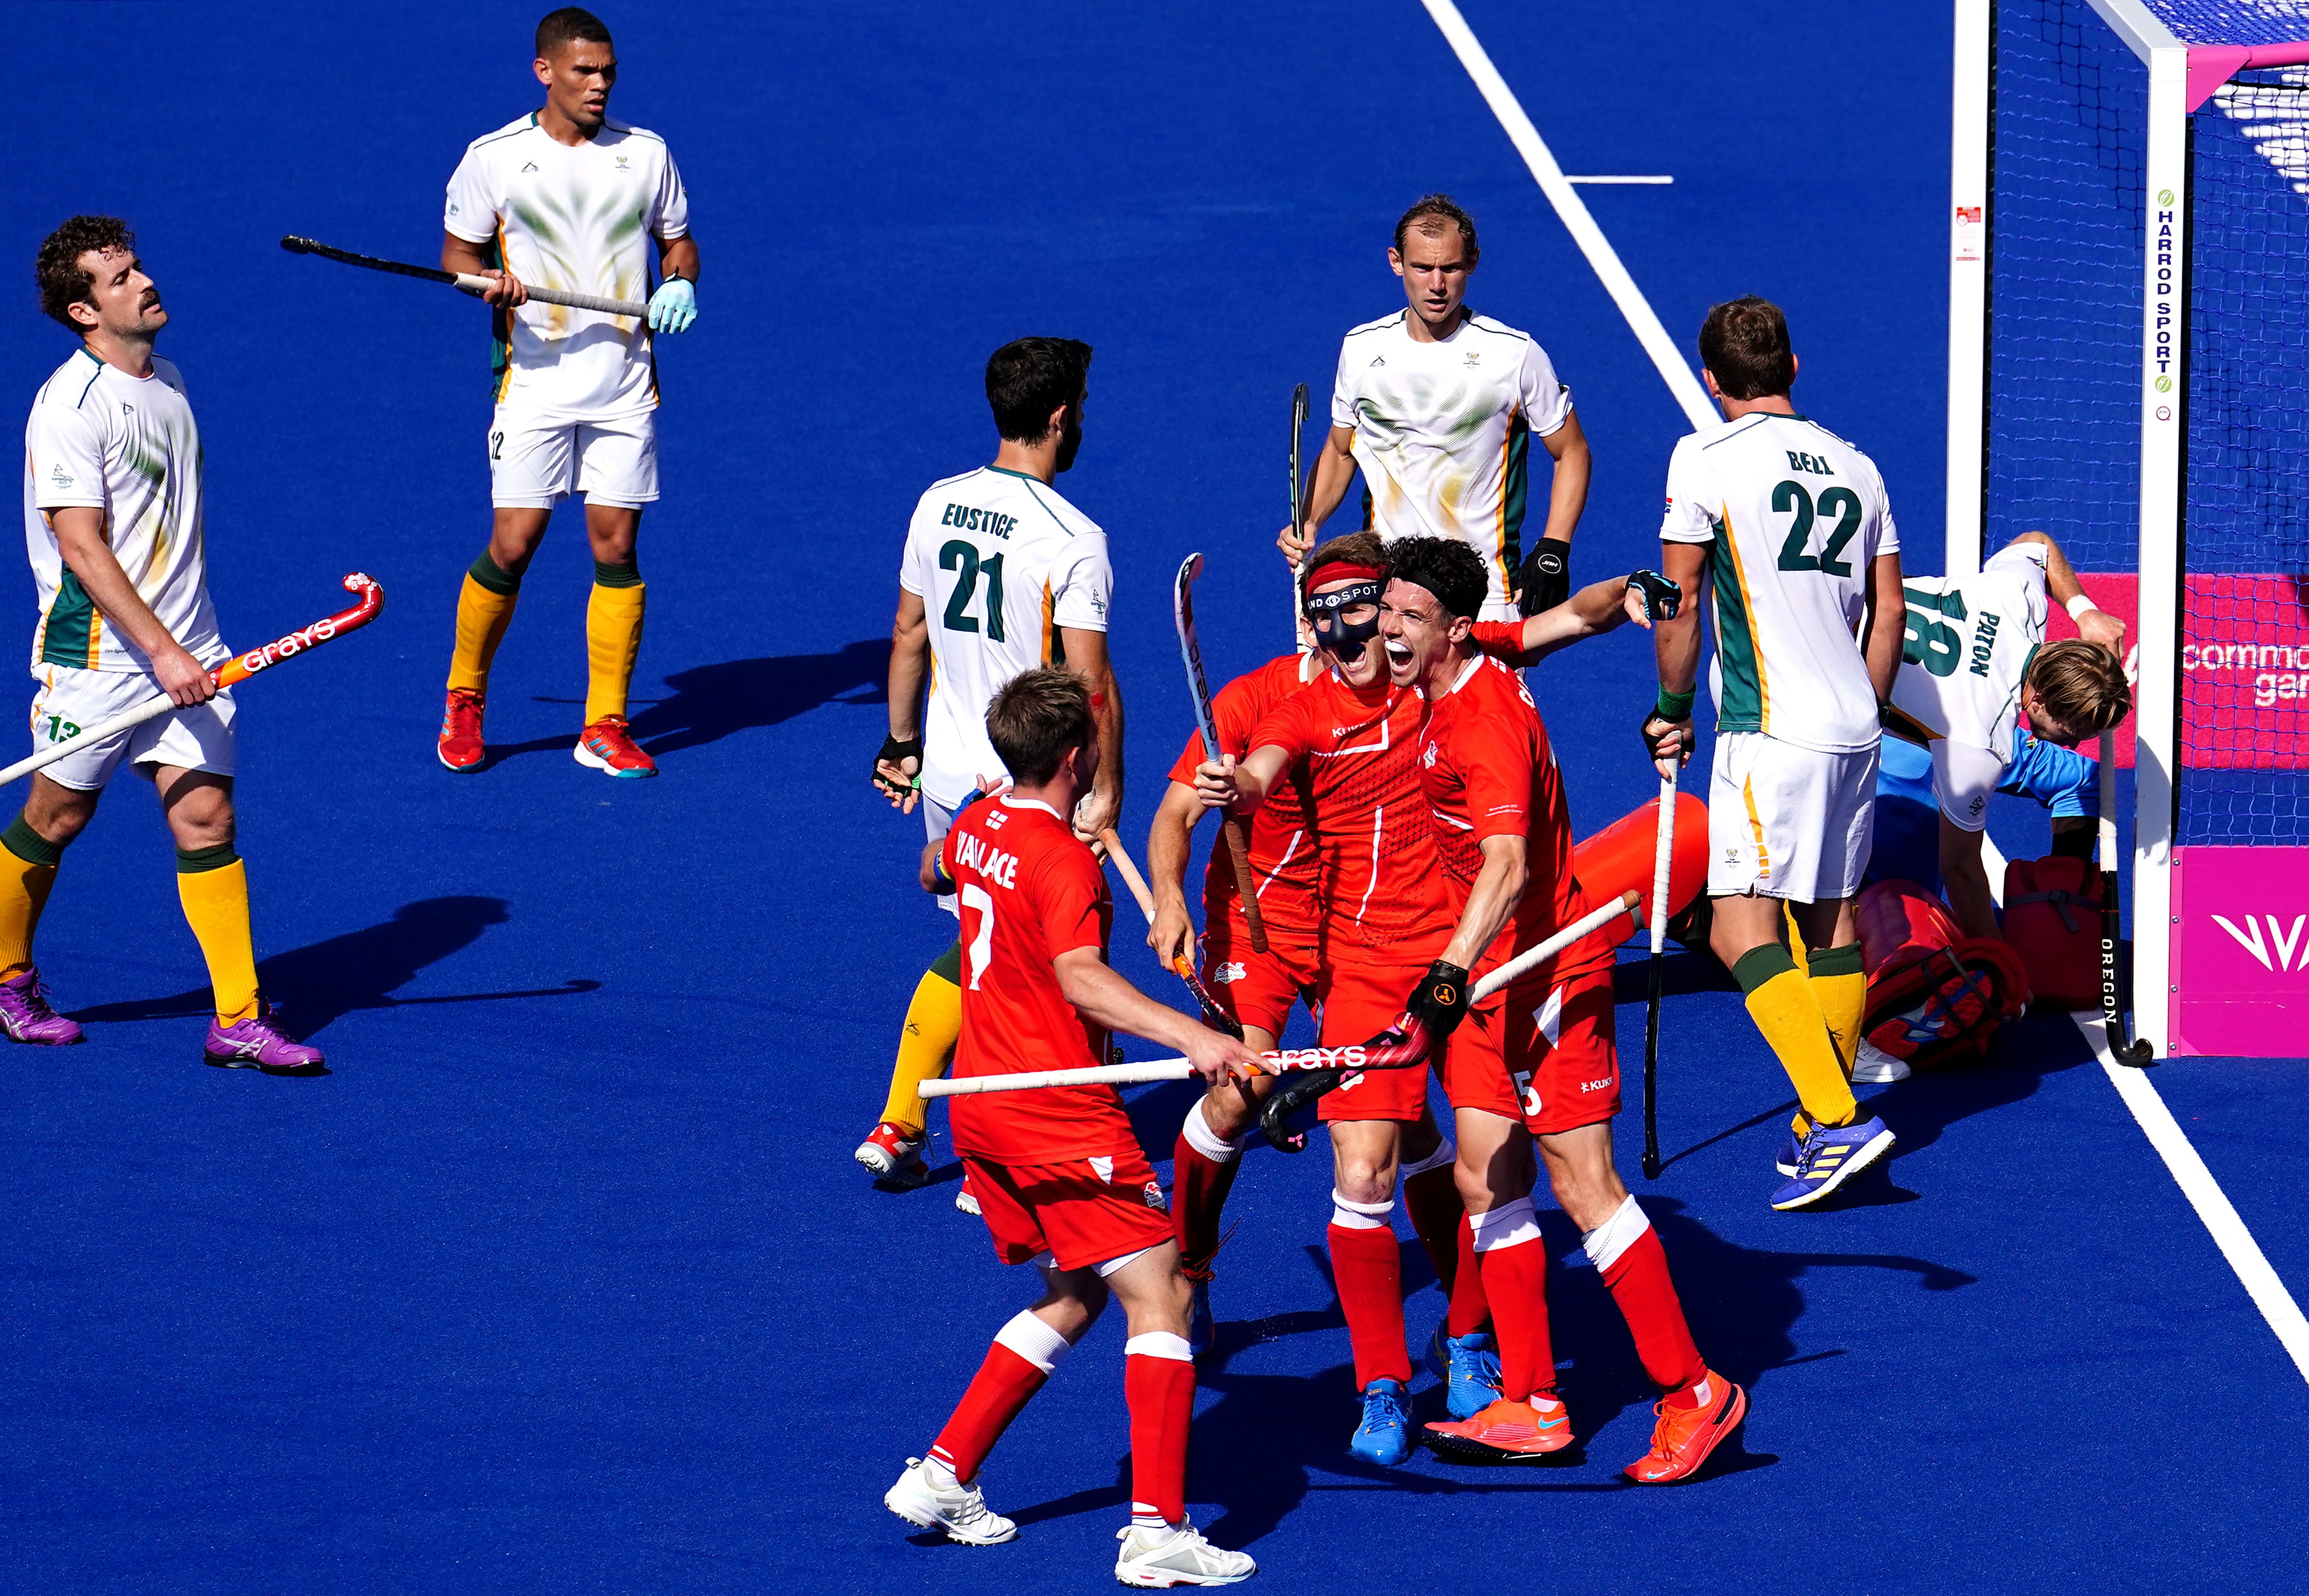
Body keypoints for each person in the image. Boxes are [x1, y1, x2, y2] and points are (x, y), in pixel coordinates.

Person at [1377, 536, 1746, 1482]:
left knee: (1584, 1188)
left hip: (1542, 973)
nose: (1387, 627)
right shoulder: (1482, 650)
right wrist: (1641, 589)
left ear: (1451, 631)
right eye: (1387, 610)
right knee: (1484, 1179)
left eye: (1406, 615)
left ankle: (1694, 1390)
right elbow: (1576, 616)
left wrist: (1449, 968)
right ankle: (1535, 1401)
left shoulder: (1482, 725)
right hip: (1487, 977)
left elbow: (1504, 864)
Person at [883, 670, 1258, 1588]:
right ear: (1073, 756)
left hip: (981, 1103)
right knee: (1159, 1294)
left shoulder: (978, 822)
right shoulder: (1066, 864)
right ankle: (1156, 1530)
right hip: (1057, 1110)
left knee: (1076, 1292)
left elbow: (931, 866)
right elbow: (1080, 978)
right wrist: (1193, 1034)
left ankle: (942, 1473)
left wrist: (1038, 834)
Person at [15, 216, 321, 1071]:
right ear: (84, 311)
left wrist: (184, 644)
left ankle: (237, 1018)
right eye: (119, 279)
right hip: (98, 657)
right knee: (57, 815)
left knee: (206, 815)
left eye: (138, 267)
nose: (144, 283)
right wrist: (160, 652)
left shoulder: (170, 380)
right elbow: (83, 546)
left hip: (188, 646)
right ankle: (9, 975)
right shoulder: (68, 408)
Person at [1192, 532, 1471, 1466]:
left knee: (1472, 1165)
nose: (1346, 627)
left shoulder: (1438, 673)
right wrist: (1236, 782)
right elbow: (1263, 764)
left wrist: (1624, 602)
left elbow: (1548, 628)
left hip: (1466, 952)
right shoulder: (1301, 711)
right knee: (1363, 1174)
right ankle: (1382, 1385)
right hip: (1363, 961)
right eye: (1326, 612)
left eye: (1363, 607)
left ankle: (1467, 1337)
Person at [1643, 297, 1906, 1211]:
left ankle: (1835, 1119)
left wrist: (1671, 707)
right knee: (1830, 922)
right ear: (1793, 368)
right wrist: (1860, 707)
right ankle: (1814, 1123)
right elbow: (1888, 612)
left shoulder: (1702, 457)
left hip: (1768, 730)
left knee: (1735, 926)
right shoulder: (1859, 467)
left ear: (1710, 380)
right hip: (1851, 726)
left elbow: (1676, 600)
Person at [855, 338, 1123, 1212]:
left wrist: (898, 744)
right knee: (1052, 961)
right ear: (1057, 416)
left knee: (977, 948)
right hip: (1032, 773)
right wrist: (1103, 786)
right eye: (1079, 404)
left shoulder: (936, 502)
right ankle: (1005, 1150)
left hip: (945, 769)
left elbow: (905, 632)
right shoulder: (1073, 537)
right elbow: (1089, 683)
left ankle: (901, 1124)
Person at [434, 6, 700, 778]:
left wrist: (680, 282)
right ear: (543, 71)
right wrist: (486, 282)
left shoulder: (645, 154)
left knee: (616, 545)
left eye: (608, 72)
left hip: (622, 383)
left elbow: (677, 239)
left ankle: (604, 725)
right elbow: (458, 253)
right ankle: (464, 693)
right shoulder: (494, 158)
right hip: (535, 383)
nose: (599, 85)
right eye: (584, 71)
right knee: (514, 544)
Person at [1279, 194, 1591, 622]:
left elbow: (1570, 450)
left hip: (1484, 595)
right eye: (1422, 268)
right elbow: (1339, 450)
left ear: (1473, 263)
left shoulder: (1514, 355)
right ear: (1396, 262)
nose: (1437, 284)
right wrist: (1310, 520)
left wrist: (1554, 547)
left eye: (1450, 268)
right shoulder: (1361, 349)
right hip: (1390, 590)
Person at [1145, 644, 1322, 1353]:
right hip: (1259, 932)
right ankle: (1189, 1266)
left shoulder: (1410, 690)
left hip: (1366, 929)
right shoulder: (1250, 697)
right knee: (1238, 1092)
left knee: (1395, 1125)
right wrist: (1167, 897)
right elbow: (1174, 816)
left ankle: (1462, 1335)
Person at [1875, 531, 2130, 943]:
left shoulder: (2017, 596)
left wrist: (2084, 612)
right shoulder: (1980, 743)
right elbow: (1958, 866)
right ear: (2041, 700)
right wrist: (2000, 963)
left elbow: (2038, 544)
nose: (2072, 743)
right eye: (2070, 731)